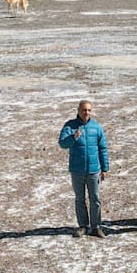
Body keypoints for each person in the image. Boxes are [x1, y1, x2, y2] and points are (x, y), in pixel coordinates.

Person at [58, 99, 110, 238]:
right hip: (77, 170)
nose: (86, 112)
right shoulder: (70, 126)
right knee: (79, 199)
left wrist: (104, 168)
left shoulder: (96, 127)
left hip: (93, 170)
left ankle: (96, 227)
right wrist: (73, 138)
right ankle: (83, 226)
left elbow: (103, 148)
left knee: (95, 199)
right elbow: (62, 143)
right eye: (83, 110)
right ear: (78, 110)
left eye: (88, 110)